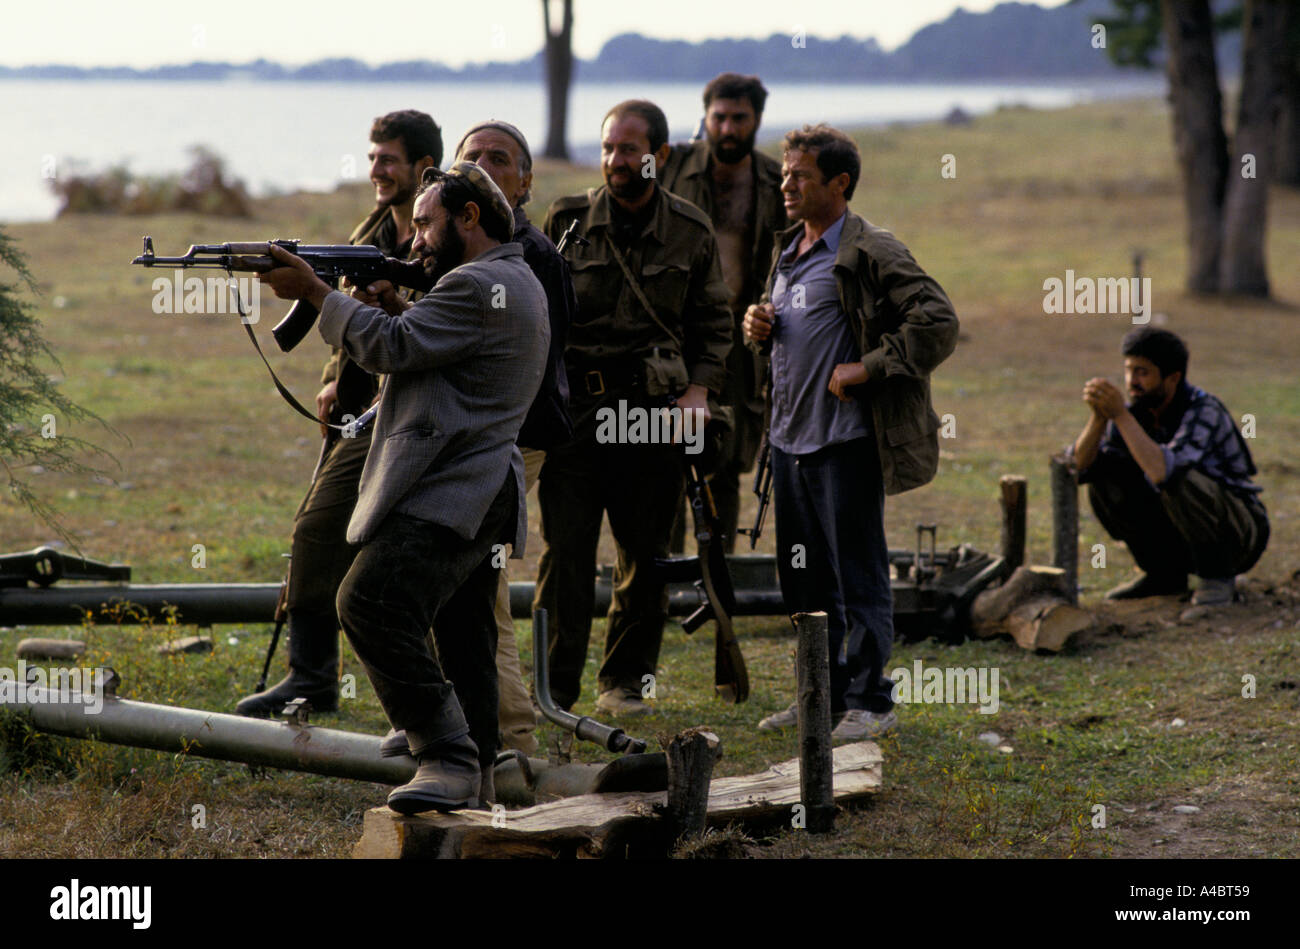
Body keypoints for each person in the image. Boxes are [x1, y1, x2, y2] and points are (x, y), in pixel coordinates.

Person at [259, 163, 548, 813]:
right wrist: (396, 305)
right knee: (463, 633)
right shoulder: (510, 277)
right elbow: (434, 347)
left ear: (468, 219)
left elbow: (391, 348)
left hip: (455, 488)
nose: (414, 239)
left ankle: (442, 751)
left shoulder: (474, 284)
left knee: (370, 600)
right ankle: (472, 773)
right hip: (484, 485)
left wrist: (312, 290)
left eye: (425, 223)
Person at [743, 124, 958, 741]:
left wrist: (871, 366)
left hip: (845, 442)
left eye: (800, 175)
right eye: (785, 173)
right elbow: (790, 342)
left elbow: (938, 319)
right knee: (803, 578)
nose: (787, 184)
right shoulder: (789, 250)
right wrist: (757, 326)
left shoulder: (871, 249)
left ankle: (870, 702)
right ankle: (820, 692)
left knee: (857, 574)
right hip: (788, 442)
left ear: (838, 183)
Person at [374, 120, 575, 759]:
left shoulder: (529, 257)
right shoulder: (470, 251)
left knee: (477, 600)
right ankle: (455, 729)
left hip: (511, 439)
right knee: (457, 598)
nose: (484, 164)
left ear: (522, 180)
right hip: (473, 438)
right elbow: (446, 340)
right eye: (473, 156)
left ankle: (501, 739)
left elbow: (513, 360)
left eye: (499, 158)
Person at [235, 109, 440, 719]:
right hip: (366, 408)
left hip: (418, 416)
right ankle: (312, 676)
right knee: (316, 529)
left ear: (422, 167)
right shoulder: (371, 230)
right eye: (372, 157)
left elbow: (432, 326)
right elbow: (345, 324)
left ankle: (412, 703)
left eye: (388, 160)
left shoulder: (442, 237)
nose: (375, 169)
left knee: (383, 558)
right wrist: (330, 383)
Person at [535, 99, 733, 717]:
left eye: (628, 149)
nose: (615, 161)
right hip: (574, 416)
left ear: (660, 155)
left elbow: (713, 324)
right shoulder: (566, 221)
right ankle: (556, 687)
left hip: (651, 417)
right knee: (565, 556)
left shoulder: (691, 231)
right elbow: (536, 314)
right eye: (608, 149)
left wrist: (699, 390)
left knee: (648, 556)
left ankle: (625, 683)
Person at [660, 73, 787, 550]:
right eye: (720, 118)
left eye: (739, 119)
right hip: (673, 339)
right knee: (666, 456)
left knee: (726, 463)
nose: (729, 128)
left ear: (756, 120)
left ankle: (719, 579)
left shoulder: (776, 183)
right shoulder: (671, 167)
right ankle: (662, 580)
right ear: (705, 116)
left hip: (739, 344)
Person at [1067, 327, 1269, 605]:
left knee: (1178, 477)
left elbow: (1164, 472)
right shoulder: (1135, 412)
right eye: (1129, 371)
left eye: (1143, 372)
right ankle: (1163, 576)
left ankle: (1217, 579)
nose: (1131, 382)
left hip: (1239, 534)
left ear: (1173, 378)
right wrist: (1100, 418)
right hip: (1183, 529)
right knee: (1106, 472)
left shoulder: (1204, 410)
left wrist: (1121, 416)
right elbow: (1075, 468)